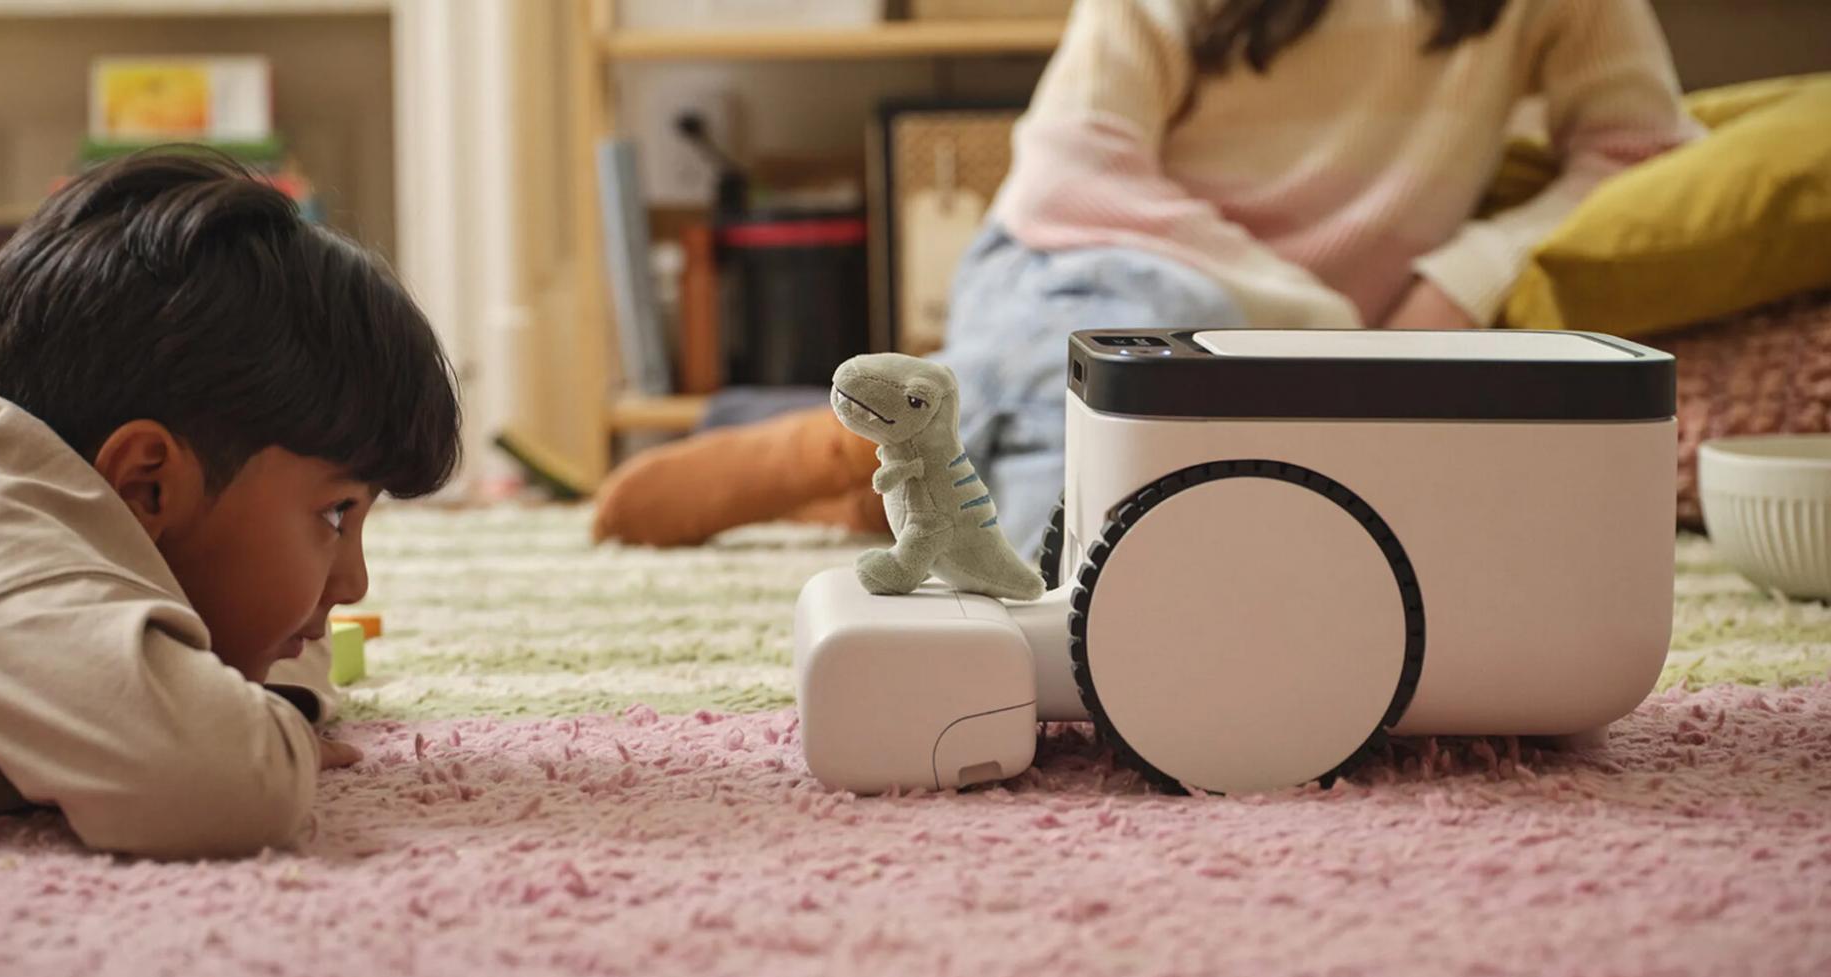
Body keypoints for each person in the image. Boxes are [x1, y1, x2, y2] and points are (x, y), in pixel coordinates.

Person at [593, 0, 1699, 555]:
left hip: (1293, 351)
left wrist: (1461, 279)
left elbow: (1641, 157)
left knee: (1251, 505)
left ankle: (886, 445)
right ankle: (900, 460)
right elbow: (1077, 175)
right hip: (1079, 265)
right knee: (1124, 463)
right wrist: (1315, 319)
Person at [0, 152, 461, 857]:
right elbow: (219, 787)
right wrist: (247, 725)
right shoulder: (2, 556)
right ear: (147, 484)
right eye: (336, 515)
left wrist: (250, 688)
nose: (354, 583)